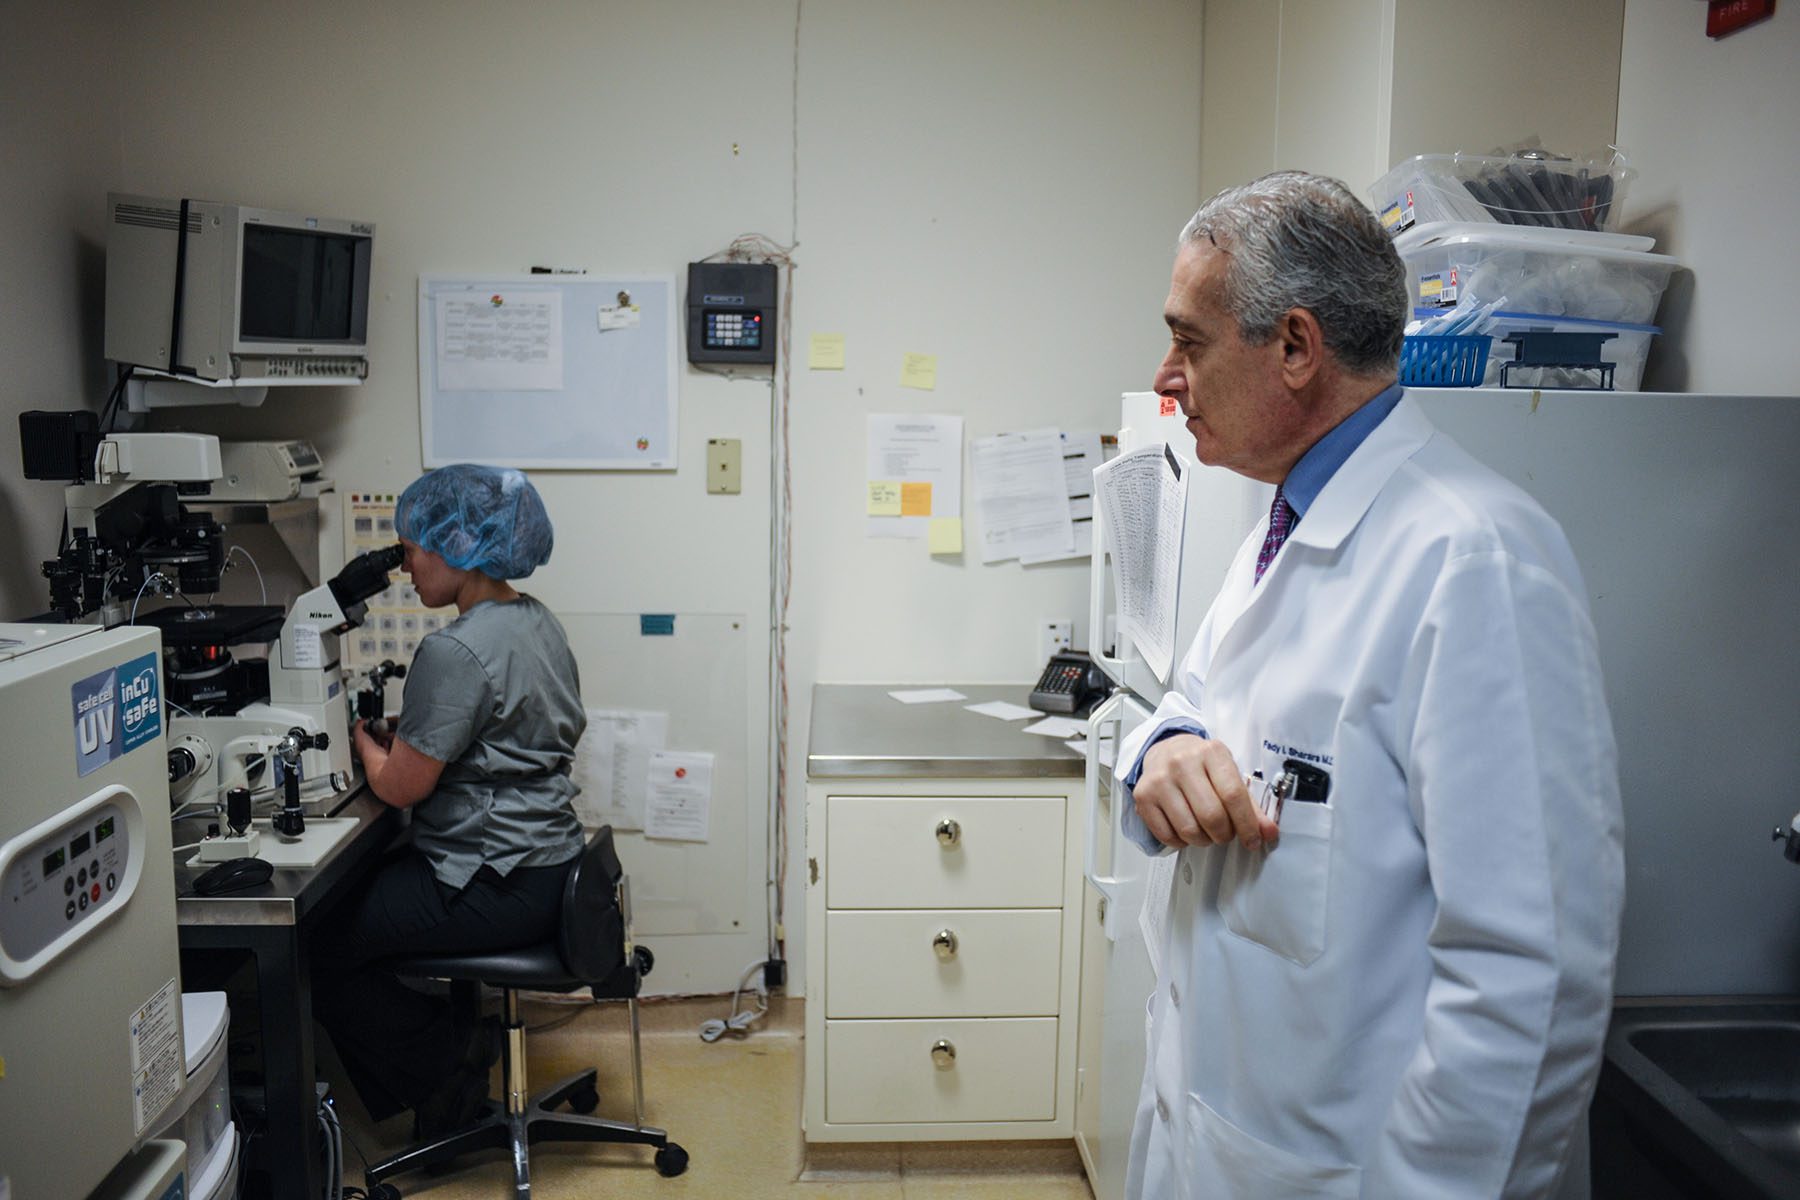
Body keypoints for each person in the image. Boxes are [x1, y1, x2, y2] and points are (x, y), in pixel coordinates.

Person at [1118, 172, 1624, 1198]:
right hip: (1214, 1137)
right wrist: (1162, 750)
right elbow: (1194, 695)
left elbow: (1530, 982)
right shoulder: (1283, 525)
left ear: (1297, 348)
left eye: (1191, 340)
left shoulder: (1473, 560)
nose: (1166, 378)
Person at [313, 463, 587, 1138]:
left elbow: (400, 787)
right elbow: (503, 730)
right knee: (360, 899)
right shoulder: (535, 620)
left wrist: (357, 738)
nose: (405, 567)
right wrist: (405, 737)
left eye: (410, 549)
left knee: (316, 943)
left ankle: (446, 1065)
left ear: (457, 544)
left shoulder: (455, 648)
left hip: (497, 878)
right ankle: (451, 1052)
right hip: (551, 862)